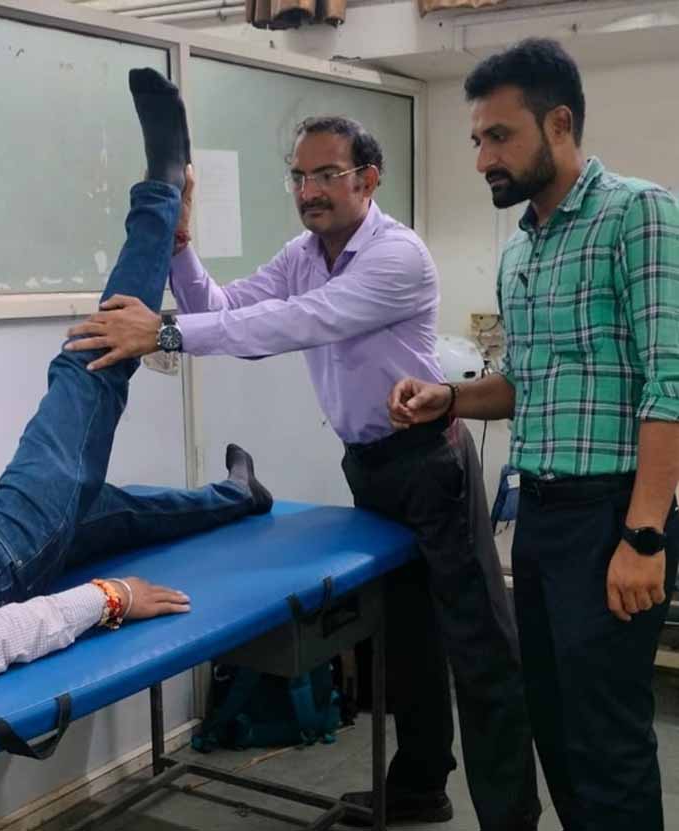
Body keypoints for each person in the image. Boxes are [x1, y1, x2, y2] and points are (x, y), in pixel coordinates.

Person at [67, 115, 539, 830]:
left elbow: (296, 324)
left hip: (428, 461)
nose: (309, 190)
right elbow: (225, 312)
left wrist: (161, 331)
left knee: (480, 644)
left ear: (367, 179)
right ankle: (420, 788)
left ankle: (511, 818)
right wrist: (182, 251)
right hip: (370, 466)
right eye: (298, 176)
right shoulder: (304, 253)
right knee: (406, 635)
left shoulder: (396, 255)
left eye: (326, 174)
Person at [389, 38, 679, 831]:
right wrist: (448, 398)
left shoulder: (638, 215)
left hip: (614, 514)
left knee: (606, 739)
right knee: (553, 722)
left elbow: (670, 384)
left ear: (559, 124)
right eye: (476, 139)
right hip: (541, 518)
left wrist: (645, 534)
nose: (483, 156)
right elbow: (523, 382)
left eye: (499, 135)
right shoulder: (520, 247)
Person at [0, 68, 271, 680]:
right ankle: (163, 184)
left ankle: (239, 497)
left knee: (118, 512)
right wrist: (112, 597)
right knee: (90, 363)